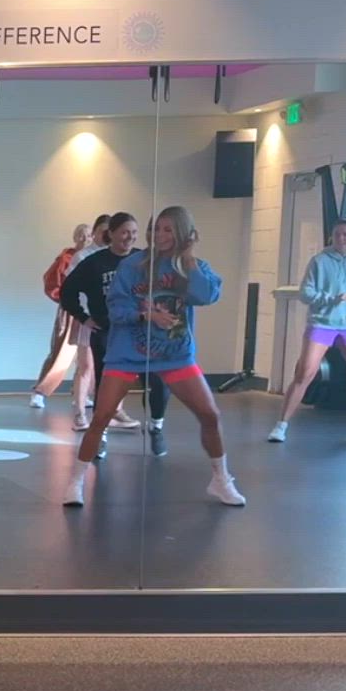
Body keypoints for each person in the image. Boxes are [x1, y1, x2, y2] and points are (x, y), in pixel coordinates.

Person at [65, 205, 244, 508]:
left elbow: (206, 296)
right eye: (156, 229)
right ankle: (76, 481)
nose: (160, 235)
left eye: (168, 229)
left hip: (174, 353)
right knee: (102, 417)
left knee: (210, 415)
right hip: (127, 353)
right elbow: (116, 309)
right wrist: (146, 314)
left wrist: (188, 258)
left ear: (183, 233)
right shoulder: (132, 265)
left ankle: (221, 479)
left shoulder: (192, 266)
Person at [268, 219, 346, 443]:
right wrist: (331, 299)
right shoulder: (319, 261)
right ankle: (281, 426)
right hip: (323, 323)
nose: (341, 238)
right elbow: (305, 293)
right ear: (331, 237)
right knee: (304, 373)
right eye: (337, 234)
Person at [59, 212, 152, 456]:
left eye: (134, 233)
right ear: (111, 233)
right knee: (104, 382)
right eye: (124, 232)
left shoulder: (143, 260)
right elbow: (67, 291)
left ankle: (156, 425)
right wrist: (84, 317)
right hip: (106, 331)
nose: (130, 237)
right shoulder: (94, 262)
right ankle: (100, 434)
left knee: (150, 377)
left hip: (137, 330)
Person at [30, 222, 94, 409]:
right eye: (81, 235)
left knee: (87, 356)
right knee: (61, 353)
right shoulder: (66, 258)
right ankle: (39, 392)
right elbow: (51, 283)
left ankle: (81, 394)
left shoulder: (95, 258)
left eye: (88, 235)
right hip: (71, 311)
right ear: (75, 238)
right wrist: (67, 300)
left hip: (89, 312)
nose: (85, 238)